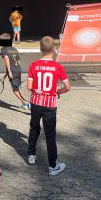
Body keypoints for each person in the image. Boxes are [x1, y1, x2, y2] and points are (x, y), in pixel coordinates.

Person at [27, 36, 71, 176]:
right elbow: (68, 87)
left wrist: (37, 90)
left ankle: (31, 155)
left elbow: (29, 86)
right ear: (54, 49)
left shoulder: (33, 65)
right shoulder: (58, 66)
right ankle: (53, 165)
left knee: (34, 127)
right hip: (50, 104)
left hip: (35, 102)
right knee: (50, 134)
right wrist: (58, 91)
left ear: (40, 49)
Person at [0, 33, 30, 110]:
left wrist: (9, 72)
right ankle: (24, 104)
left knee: (15, 90)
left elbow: (7, 59)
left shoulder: (3, 50)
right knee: (18, 88)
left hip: (12, 71)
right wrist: (6, 75)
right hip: (18, 70)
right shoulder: (15, 49)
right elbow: (17, 62)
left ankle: (26, 103)